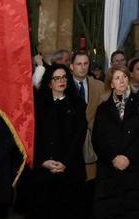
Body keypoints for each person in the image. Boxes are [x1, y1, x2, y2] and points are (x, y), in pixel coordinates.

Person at [91, 66, 139, 219]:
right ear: (111, 83)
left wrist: (128, 157)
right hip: (111, 171)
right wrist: (113, 157)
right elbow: (98, 139)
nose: (122, 80)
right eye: (117, 78)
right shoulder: (103, 108)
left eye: (125, 77)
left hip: (136, 169)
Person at [27, 64, 88, 219]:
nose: (61, 81)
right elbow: (32, 137)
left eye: (64, 77)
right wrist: (42, 161)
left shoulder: (78, 104)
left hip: (70, 170)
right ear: (49, 82)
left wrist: (65, 162)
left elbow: (79, 136)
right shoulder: (38, 106)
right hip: (43, 171)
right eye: (56, 78)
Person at [72, 49, 108, 208]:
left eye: (86, 63)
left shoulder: (99, 86)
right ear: (71, 66)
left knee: (90, 191)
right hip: (70, 147)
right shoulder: (62, 85)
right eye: (79, 64)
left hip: (93, 146)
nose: (83, 67)